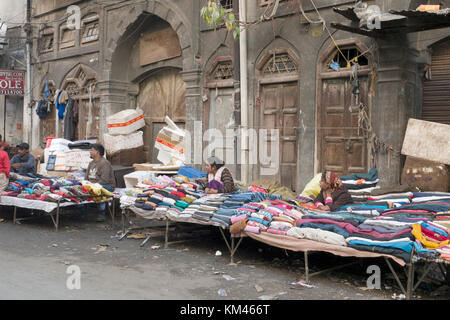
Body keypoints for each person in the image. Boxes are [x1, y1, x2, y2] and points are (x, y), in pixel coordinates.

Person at [85, 144, 116, 222]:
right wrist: (85, 184)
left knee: (98, 189)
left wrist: (93, 185)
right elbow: (86, 178)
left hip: (107, 186)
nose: (90, 152)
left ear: (97, 152)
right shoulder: (91, 163)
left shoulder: (105, 163)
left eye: (92, 150)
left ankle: (101, 213)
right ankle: (81, 211)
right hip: (93, 185)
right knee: (81, 188)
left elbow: (104, 180)